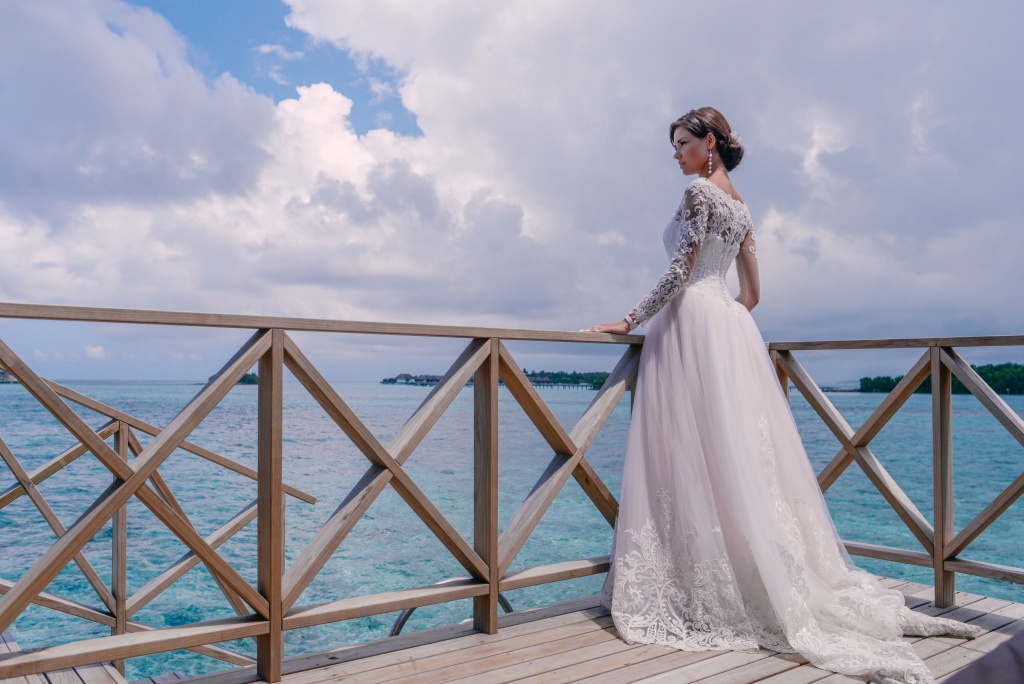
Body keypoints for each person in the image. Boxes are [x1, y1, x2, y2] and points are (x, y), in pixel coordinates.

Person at [585, 107, 979, 684]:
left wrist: (628, 320)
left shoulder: (697, 194)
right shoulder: (742, 207)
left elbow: (679, 272)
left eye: (682, 143)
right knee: (736, 456)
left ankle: (698, 581)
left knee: (689, 454)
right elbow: (753, 294)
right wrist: (724, 323)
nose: (676, 154)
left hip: (688, 324)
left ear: (709, 142)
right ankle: (749, 573)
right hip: (727, 328)